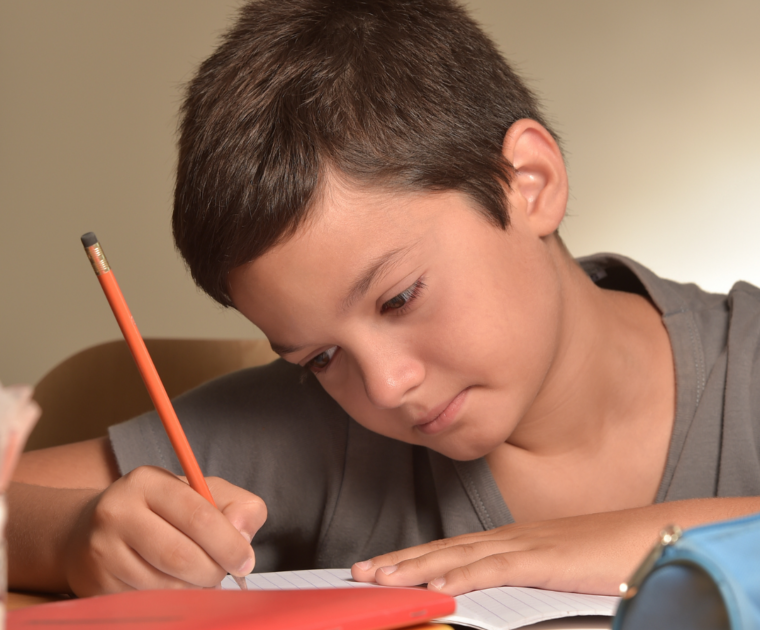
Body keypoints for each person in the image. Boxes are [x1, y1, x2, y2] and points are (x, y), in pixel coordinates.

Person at [9, 0, 760, 598]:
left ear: (528, 184)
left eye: (399, 298)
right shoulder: (314, 428)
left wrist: (666, 542)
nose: (383, 386)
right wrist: (73, 536)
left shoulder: (747, 367)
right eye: (322, 357)